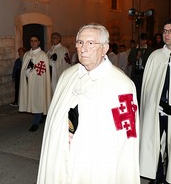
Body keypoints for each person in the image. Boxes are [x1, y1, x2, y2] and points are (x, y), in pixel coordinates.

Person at [37, 23, 140, 184]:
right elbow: (53, 120)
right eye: (80, 43)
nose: (83, 49)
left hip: (97, 166)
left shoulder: (122, 85)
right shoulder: (67, 76)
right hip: (62, 157)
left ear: (105, 48)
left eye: (90, 43)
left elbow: (126, 138)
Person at [140, 19, 171, 184]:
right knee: (155, 143)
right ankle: (158, 175)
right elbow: (149, 85)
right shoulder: (155, 56)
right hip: (157, 109)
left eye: (170, 31)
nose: (167, 34)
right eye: (165, 31)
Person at [18, 34, 51, 132]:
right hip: (28, 81)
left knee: (38, 99)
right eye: (31, 40)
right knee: (31, 99)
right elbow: (24, 67)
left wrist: (31, 73)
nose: (33, 42)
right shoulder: (27, 54)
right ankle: (40, 116)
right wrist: (26, 72)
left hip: (38, 82)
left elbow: (42, 71)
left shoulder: (43, 55)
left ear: (39, 42)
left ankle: (36, 122)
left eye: (35, 40)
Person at [128, 33, 153, 104]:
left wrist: (141, 55)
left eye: (144, 40)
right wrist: (136, 57)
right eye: (141, 40)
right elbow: (129, 59)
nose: (143, 42)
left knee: (144, 91)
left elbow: (150, 60)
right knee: (136, 91)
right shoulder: (134, 49)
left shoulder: (149, 50)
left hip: (145, 74)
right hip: (135, 74)